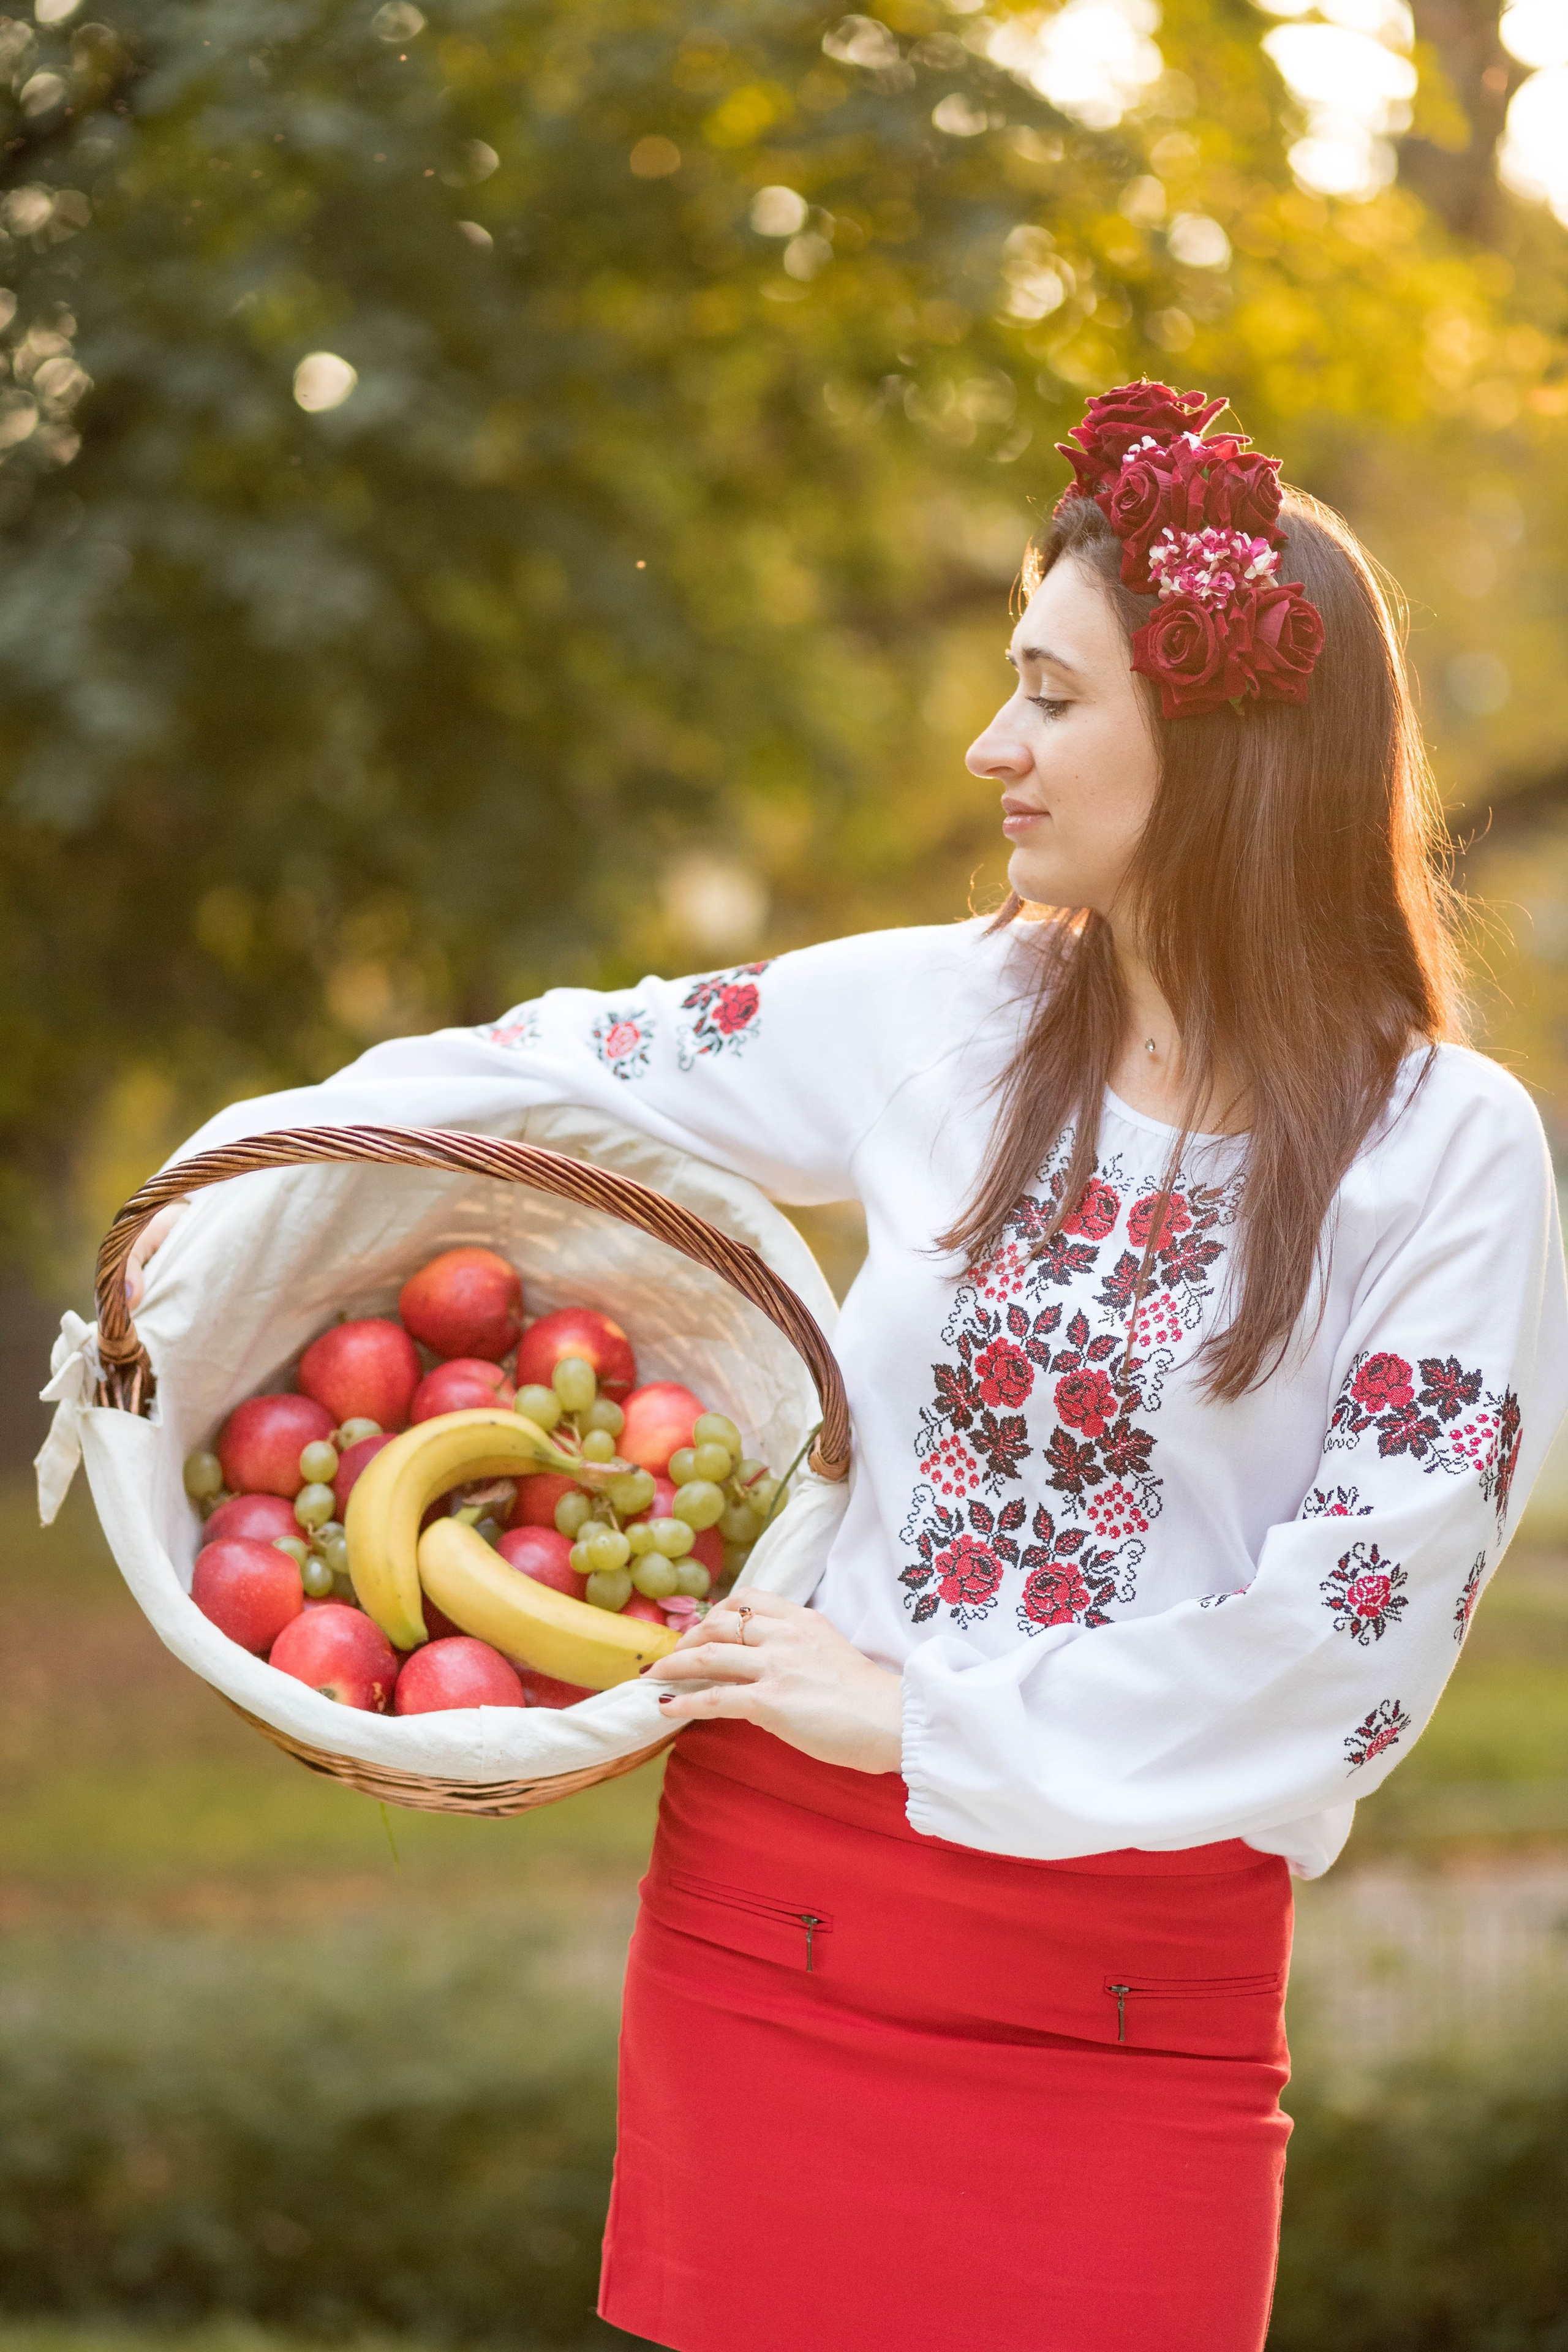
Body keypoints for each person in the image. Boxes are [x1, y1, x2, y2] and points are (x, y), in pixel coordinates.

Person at [129, 382, 1568, 2352]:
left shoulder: (1447, 1149)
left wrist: (914, 1713)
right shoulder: (945, 1013)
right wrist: (193, 1206)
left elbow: (1356, 1643)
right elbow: (551, 1067)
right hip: (774, 1930)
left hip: (1136, 1996)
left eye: (1054, 698)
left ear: (1224, 739)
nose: (996, 747)